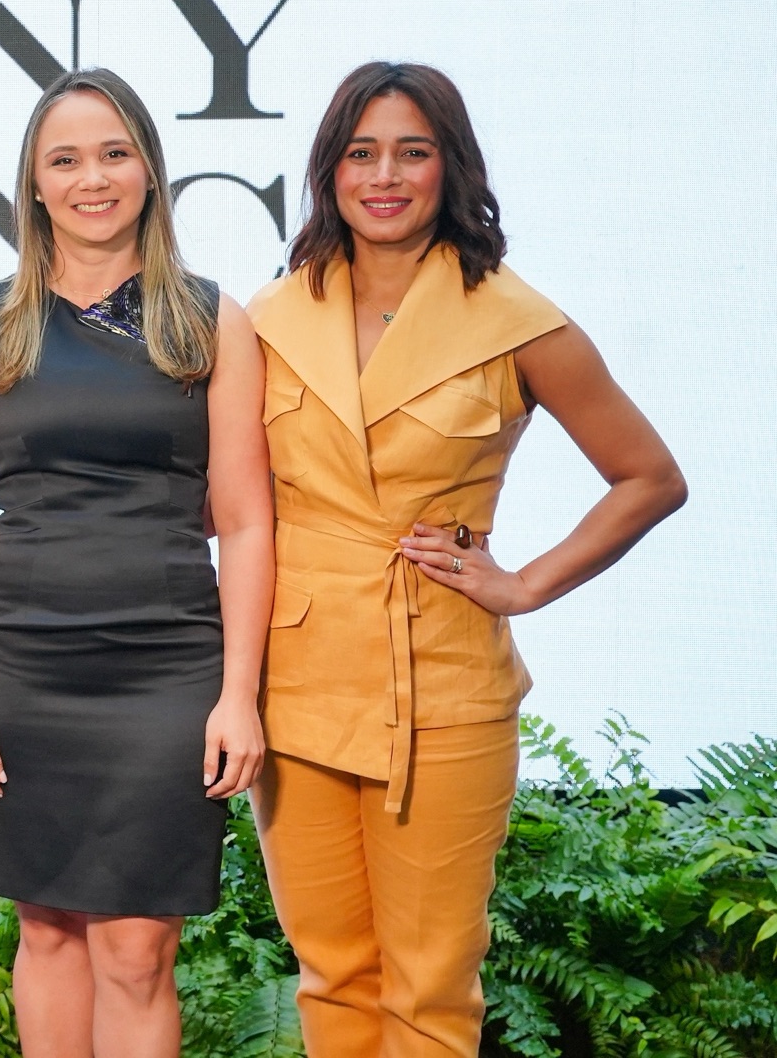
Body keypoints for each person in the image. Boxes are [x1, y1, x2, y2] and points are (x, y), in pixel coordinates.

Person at [248, 61, 687, 1057]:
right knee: (330, 975)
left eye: (412, 151)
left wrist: (524, 584)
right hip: (296, 680)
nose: (384, 176)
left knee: (430, 988)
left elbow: (648, 477)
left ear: (450, 165)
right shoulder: (268, 316)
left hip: (442, 683)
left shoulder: (512, 318)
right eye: (360, 153)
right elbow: (221, 499)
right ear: (328, 170)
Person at [0, 68, 273, 1056]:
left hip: (167, 668)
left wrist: (237, 695)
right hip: (22, 667)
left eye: (114, 154)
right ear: (33, 185)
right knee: (45, 930)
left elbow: (247, 523)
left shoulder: (211, 320)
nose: (92, 178)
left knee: (135, 950)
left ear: (149, 171)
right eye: (65, 159)